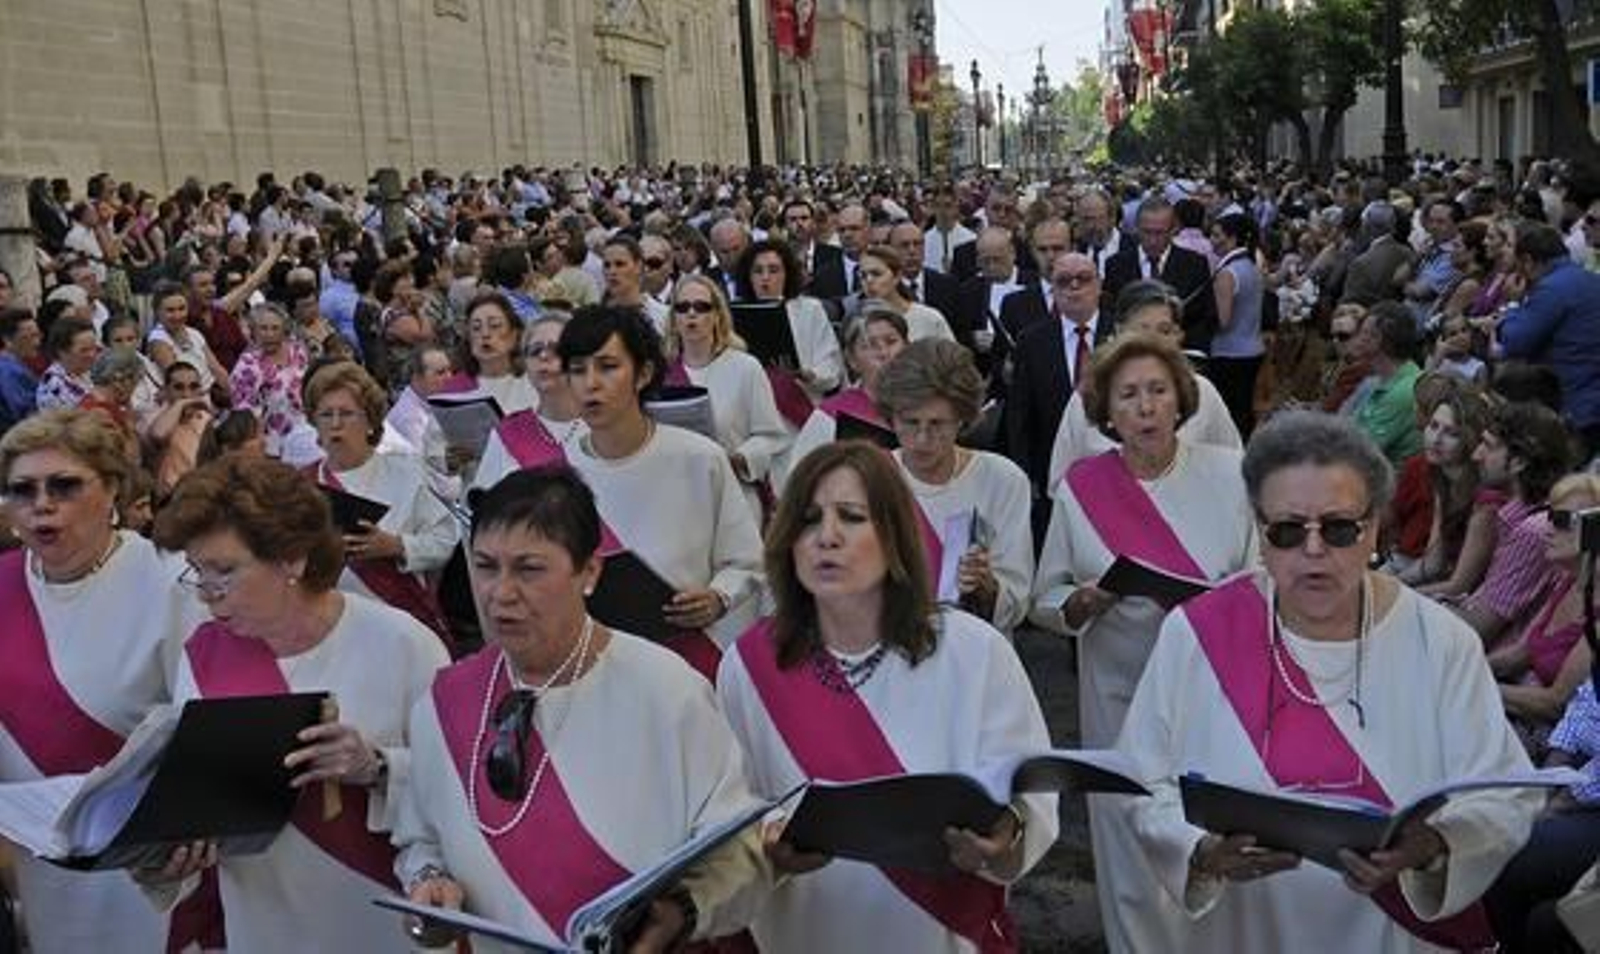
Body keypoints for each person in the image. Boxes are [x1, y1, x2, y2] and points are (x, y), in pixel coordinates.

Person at [1118, 410, 1543, 953]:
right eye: (1289, 530)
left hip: (1395, 932)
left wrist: (1435, 843)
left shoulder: (1441, 642)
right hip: (1244, 930)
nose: (1314, 550)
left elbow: (1503, 794)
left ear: (1372, 530)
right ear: (1259, 530)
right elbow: (1141, 779)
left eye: (1340, 529)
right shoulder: (1196, 632)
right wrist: (1198, 850)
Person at [392, 466, 772, 951]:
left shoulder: (668, 692)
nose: (499, 593)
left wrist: (680, 912)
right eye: (485, 566)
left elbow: (738, 852)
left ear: (588, 572)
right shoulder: (442, 703)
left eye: (529, 569)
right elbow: (420, 840)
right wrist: (429, 885)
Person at [717, 441, 1058, 952]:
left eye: (851, 518)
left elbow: (1027, 789)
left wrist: (1003, 834)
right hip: (805, 930)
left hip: (940, 932)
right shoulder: (748, 666)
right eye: (808, 520)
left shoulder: (973, 651)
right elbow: (725, 815)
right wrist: (766, 846)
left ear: (895, 535)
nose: (826, 537)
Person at [143, 454, 449, 952]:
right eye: (196, 572)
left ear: (292, 559)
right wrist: (178, 843)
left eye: (223, 571)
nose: (206, 595)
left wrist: (375, 767)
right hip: (262, 921)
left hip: (383, 914)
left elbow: (463, 796)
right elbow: (192, 791)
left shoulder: (403, 645)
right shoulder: (201, 654)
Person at [1030, 331, 1258, 952]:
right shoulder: (1081, 486)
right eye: (1128, 395)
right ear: (1106, 412)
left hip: (1215, 689)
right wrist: (1083, 601)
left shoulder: (1229, 473)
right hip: (1119, 690)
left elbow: (1261, 577)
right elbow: (1045, 596)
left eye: (1158, 391)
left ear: (1180, 399)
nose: (1146, 406)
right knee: (1131, 837)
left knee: (1210, 835)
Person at [0, 410, 201, 951]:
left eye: (64, 484)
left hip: (155, 864)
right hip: (44, 868)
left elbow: (206, 724)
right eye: (22, 489)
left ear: (112, 489)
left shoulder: (174, 581)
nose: (42, 502)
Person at [559, 305, 766, 676]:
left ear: (644, 374)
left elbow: (746, 560)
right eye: (577, 369)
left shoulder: (700, 458)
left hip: (690, 655)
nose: (590, 383)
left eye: (607, 367)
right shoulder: (557, 471)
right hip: (596, 662)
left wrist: (718, 597)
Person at [873, 339, 1033, 633]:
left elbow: (1018, 603)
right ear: (890, 416)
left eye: (937, 424)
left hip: (975, 654)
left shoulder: (1002, 480)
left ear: (962, 419)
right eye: (909, 422)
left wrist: (987, 587)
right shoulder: (871, 478)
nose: (922, 439)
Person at [303, 361, 457, 642]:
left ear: (371, 421)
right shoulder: (301, 485)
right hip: (330, 629)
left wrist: (396, 546)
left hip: (400, 624)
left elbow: (446, 538)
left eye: (347, 413)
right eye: (326, 414)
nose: (335, 424)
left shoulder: (405, 472)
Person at [1048, 280, 1242, 484]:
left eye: (1164, 331)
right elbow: (1062, 481)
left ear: (1178, 335)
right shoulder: (1091, 393)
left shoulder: (1202, 392)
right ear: (1118, 332)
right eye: (1142, 330)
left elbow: (1234, 467)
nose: (1153, 342)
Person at [662, 275, 790, 519]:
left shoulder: (745, 367)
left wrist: (740, 458)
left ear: (717, 315)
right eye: (682, 307)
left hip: (735, 495)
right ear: (673, 319)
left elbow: (772, 436)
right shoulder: (660, 375)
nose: (691, 314)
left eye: (701, 307)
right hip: (677, 499)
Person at [1451, 400, 1571, 648]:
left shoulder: (1533, 532)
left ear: (1519, 462)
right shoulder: (1518, 515)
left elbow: (1474, 631)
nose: (1475, 455)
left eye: (1488, 446)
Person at [1491, 472, 1599, 744]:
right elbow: (1520, 654)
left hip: (1548, 740)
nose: (1548, 528)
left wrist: (1474, 685)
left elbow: (1555, 703)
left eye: (1561, 521)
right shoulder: (1567, 580)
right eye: (1549, 515)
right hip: (1516, 710)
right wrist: (1456, 666)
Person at [1496, 222, 1600, 457]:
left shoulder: (1551, 288)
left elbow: (1515, 342)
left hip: (1570, 403)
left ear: (1529, 261)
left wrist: (1512, 305)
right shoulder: (1591, 279)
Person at [779, 310, 909, 493]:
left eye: (891, 342)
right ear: (851, 360)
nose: (884, 353)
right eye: (870, 345)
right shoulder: (831, 417)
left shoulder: (926, 406)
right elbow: (797, 482)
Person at [734, 239, 845, 426]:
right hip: (754, 411)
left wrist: (809, 374)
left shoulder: (810, 309)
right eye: (758, 271)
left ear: (787, 274)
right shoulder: (734, 310)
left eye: (773, 270)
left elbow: (831, 363)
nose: (765, 277)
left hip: (801, 406)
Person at [474, 311, 589, 488]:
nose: (543, 356)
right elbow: (484, 507)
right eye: (535, 351)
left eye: (555, 349)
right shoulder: (508, 433)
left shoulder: (605, 425)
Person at [1209, 212, 1267, 437]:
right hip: (1252, 347)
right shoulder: (1252, 265)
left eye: (1216, 235)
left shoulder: (1228, 273)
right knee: (1243, 409)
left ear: (1232, 239)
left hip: (1229, 352)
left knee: (1229, 413)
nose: (1211, 240)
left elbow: (1223, 320)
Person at [229, 302, 310, 458]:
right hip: (269, 443)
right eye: (263, 328)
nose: (269, 334)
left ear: (284, 330)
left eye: (275, 328)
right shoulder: (247, 364)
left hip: (304, 433)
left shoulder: (298, 351)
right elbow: (244, 411)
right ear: (254, 331)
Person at [1349, 302, 1424, 466]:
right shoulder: (1381, 379)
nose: (1357, 338)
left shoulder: (1403, 392)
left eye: (1363, 332)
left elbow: (1357, 454)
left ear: (1380, 340)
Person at [449, 292, 537, 416]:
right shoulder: (454, 389)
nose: (485, 334)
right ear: (468, 338)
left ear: (514, 335)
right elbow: (433, 434)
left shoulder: (536, 382)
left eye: (494, 326)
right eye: (476, 327)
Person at [852, 245, 954, 342]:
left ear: (897, 276)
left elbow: (952, 357)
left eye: (876, 274)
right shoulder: (857, 321)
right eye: (863, 276)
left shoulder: (929, 318)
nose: (869, 281)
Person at [146, 280, 229, 399]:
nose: (177, 315)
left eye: (181, 308)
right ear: (157, 312)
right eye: (170, 310)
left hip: (212, 396)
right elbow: (180, 381)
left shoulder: (194, 333)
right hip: (188, 400)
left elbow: (217, 369)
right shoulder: (158, 339)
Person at [34, 315, 98, 412]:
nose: (92, 354)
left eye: (94, 348)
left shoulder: (87, 370)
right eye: (84, 350)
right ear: (62, 351)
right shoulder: (53, 386)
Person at [0, 308, 41, 433]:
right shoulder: (8, 372)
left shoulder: (15, 365)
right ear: (8, 340)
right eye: (29, 337)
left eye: (37, 335)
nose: (37, 342)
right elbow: (23, 416)